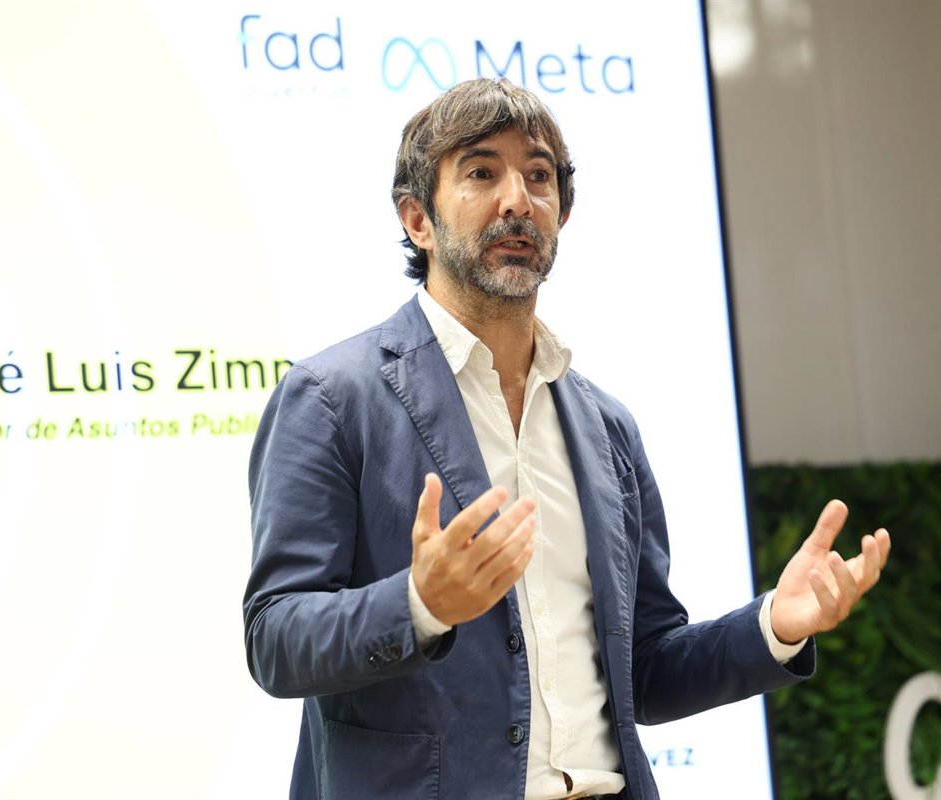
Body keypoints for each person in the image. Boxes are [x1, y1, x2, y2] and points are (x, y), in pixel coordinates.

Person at [243, 78, 891, 800]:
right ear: (418, 219)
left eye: (539, 176)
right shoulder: (332, 397)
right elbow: (276, 638)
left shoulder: (606, 427)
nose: (517, 200)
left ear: (562, 213)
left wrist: (773, 626)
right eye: (481, 172)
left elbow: (645, 667)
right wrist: (419, 603)